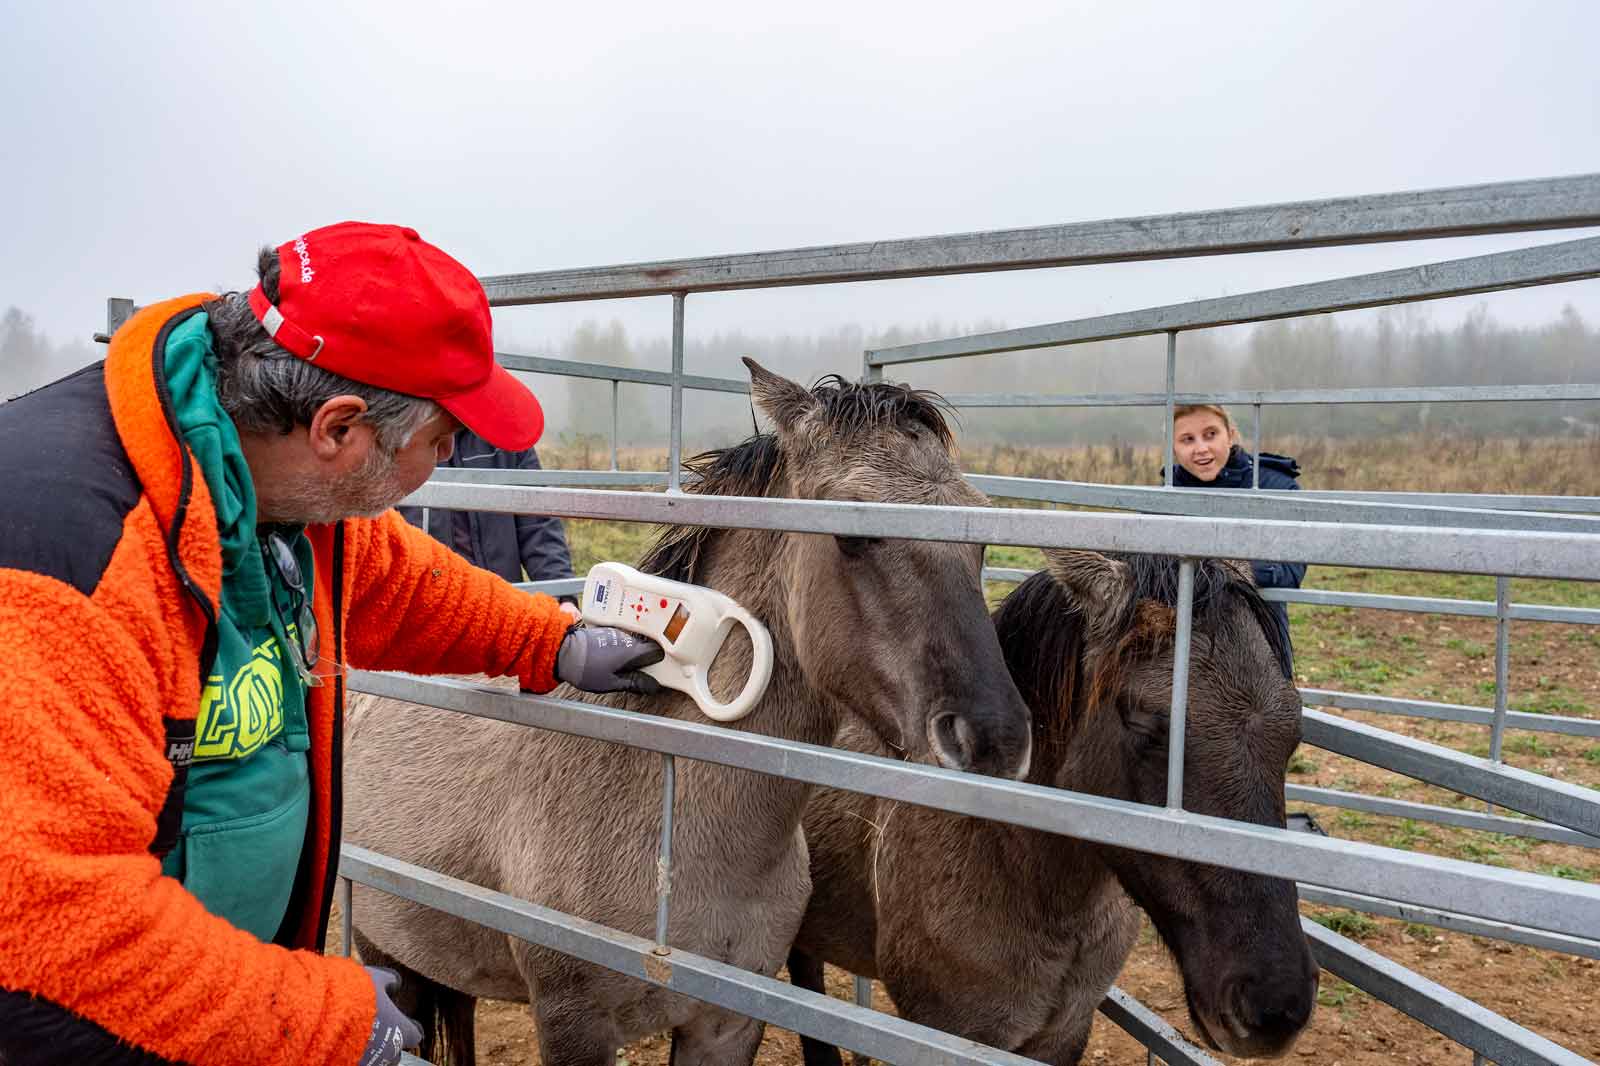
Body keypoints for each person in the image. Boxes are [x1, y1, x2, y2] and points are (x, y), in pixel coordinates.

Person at [0, 222, 663, 1066]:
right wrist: (321, 1023)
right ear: (339, 428)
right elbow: (44, 930)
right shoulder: (66, 562)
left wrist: (551, 642)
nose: (451, 455)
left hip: (210, 1004)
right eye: (443, 438)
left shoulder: (256, 472)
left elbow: (393, 580)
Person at [1168, 402, 1305, 672]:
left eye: (1210, 434)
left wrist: (1208, 568)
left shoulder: (1274, 486)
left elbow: (1290, 570)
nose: (1201, 449)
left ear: (1230, 435)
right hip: (1187, 647)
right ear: (1173, 447)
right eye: (1187, 439)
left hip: (1259, 638)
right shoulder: (1163, 495)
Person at [398, 428, 580, 611]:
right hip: (425, 616)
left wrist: (563, 597)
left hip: (501, 611)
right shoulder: (397, 429)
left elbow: (538, 524)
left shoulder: (507, 431)